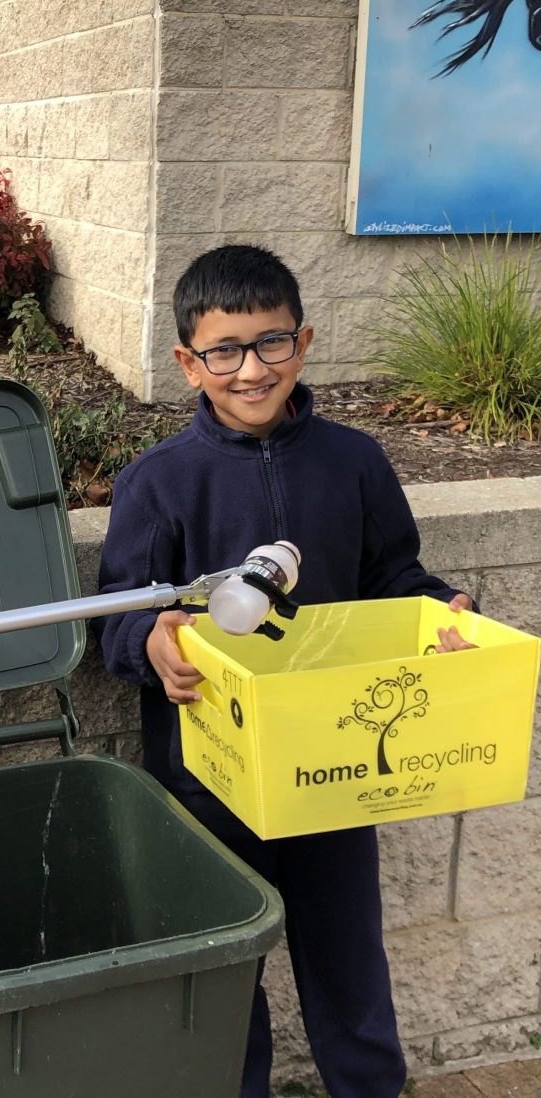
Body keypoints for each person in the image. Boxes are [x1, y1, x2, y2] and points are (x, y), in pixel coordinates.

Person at [92, 244, 473, 1098]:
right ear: (189, 362)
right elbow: (117, 613)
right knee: (229, 975)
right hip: (208, 780)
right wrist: (150, 644)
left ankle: (371, 1087)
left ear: (304, 342)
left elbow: (396, 580)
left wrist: (442, 612)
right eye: (224, 350)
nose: (250, 368)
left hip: (335, 769)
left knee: (349, 962)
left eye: (271, 344)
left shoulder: (356, 462)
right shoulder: (158, 483)